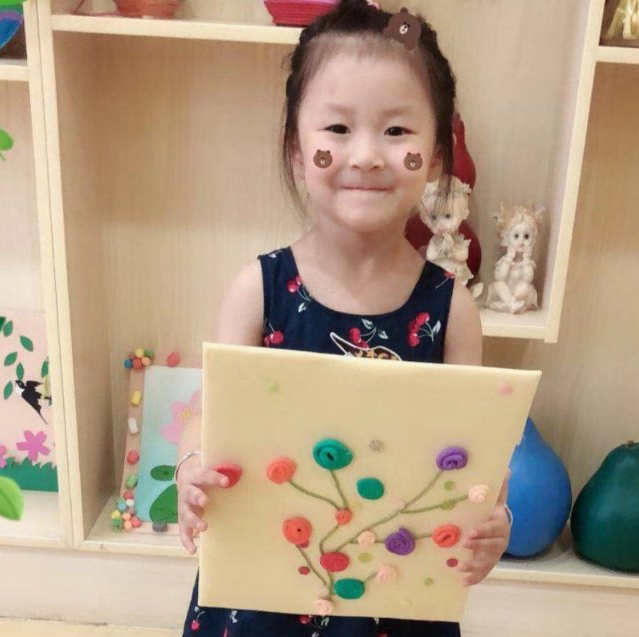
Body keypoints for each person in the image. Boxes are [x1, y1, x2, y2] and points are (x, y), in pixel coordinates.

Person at [176, 1, 510, 634]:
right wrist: (191, 467)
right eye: (336, 128)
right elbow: (208, 414)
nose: (366, 154)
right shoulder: (258, 291)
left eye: (396, 131)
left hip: (393, 592)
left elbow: (475, 457)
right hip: (266, 591)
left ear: (437, 155)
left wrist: (496, 522)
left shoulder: (453, 310)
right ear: (296, 149)